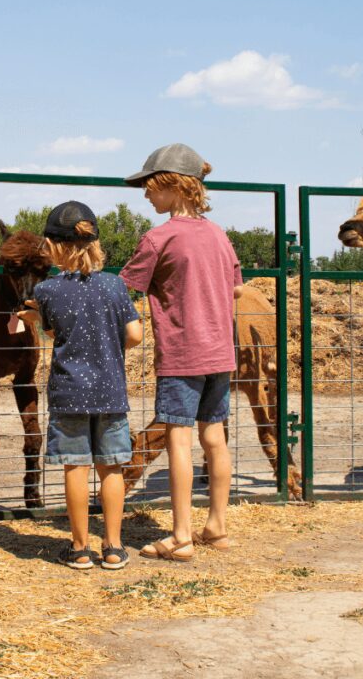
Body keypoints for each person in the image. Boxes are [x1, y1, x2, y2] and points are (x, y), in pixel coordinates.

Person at [120, 143, 243, 562]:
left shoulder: (159, 237)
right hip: (221, 352)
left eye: (150, 186)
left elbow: (125, 287)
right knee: (215, 438)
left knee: (178, 440)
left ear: (173, 186)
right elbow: (238, 288)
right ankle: (217, 527)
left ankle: (180, 537)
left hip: (181, 354)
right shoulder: (219, 234)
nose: (145, 194)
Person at [19, 201, 143, 570]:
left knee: (75, 467)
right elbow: (135, 334)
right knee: (112, 468)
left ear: (54, 246)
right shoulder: (115, 286)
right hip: (110, 391)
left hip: (69, 392)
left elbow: (57, 332)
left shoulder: (47, 291)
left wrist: (34, 319)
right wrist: (106, 339)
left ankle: (79, 548)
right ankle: (115, 547)